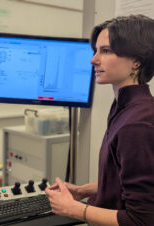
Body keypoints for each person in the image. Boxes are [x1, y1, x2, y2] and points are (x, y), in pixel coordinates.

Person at [45, 14, 154, 226]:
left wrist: (73, 209)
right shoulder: (126, 108)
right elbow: (129, 180)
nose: (93, 59)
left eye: (106, 51)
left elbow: (142, 220)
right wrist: (84, 190)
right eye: (96, 50)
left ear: (136, 62)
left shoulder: (136, 125)